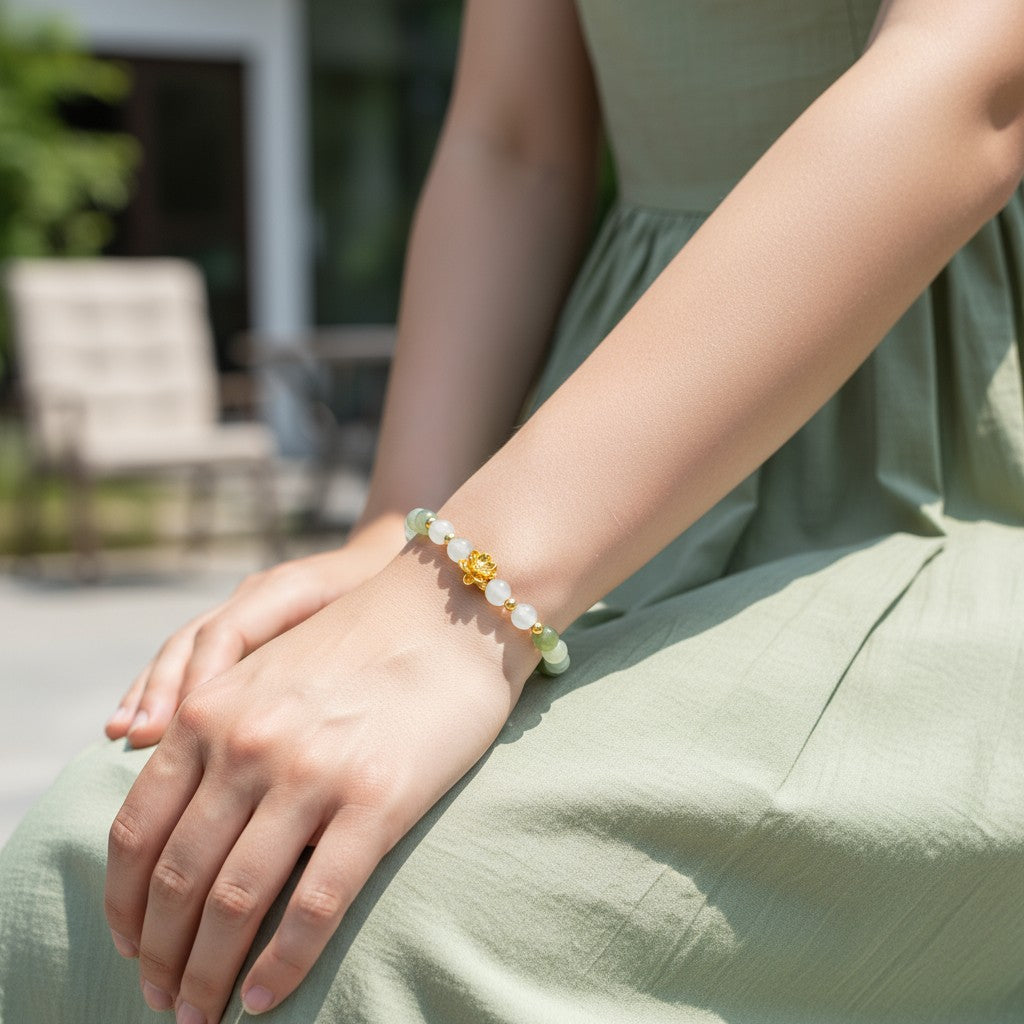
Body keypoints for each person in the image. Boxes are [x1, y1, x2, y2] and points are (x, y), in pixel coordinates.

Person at [2, 0, 1024, 1021]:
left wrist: (462, 593)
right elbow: (512, 140)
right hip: (600, 450)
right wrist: (395, 533)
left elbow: (972, 83)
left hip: (969, 467)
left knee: (371, 939)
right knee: (89, 853)